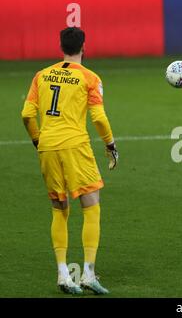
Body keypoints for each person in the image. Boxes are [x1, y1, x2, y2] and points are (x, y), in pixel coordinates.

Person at [21, 27, 118, 294]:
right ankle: (87, 272)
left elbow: (27, 115)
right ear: (84, 46)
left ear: (60, 46)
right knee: (91, 206)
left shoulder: (41, 75)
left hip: (48, 147)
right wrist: (110, 144)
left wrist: (38, 141)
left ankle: (63, 273)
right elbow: (98, 118)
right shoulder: (90, 77)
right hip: (75, 146)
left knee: (59, 209)